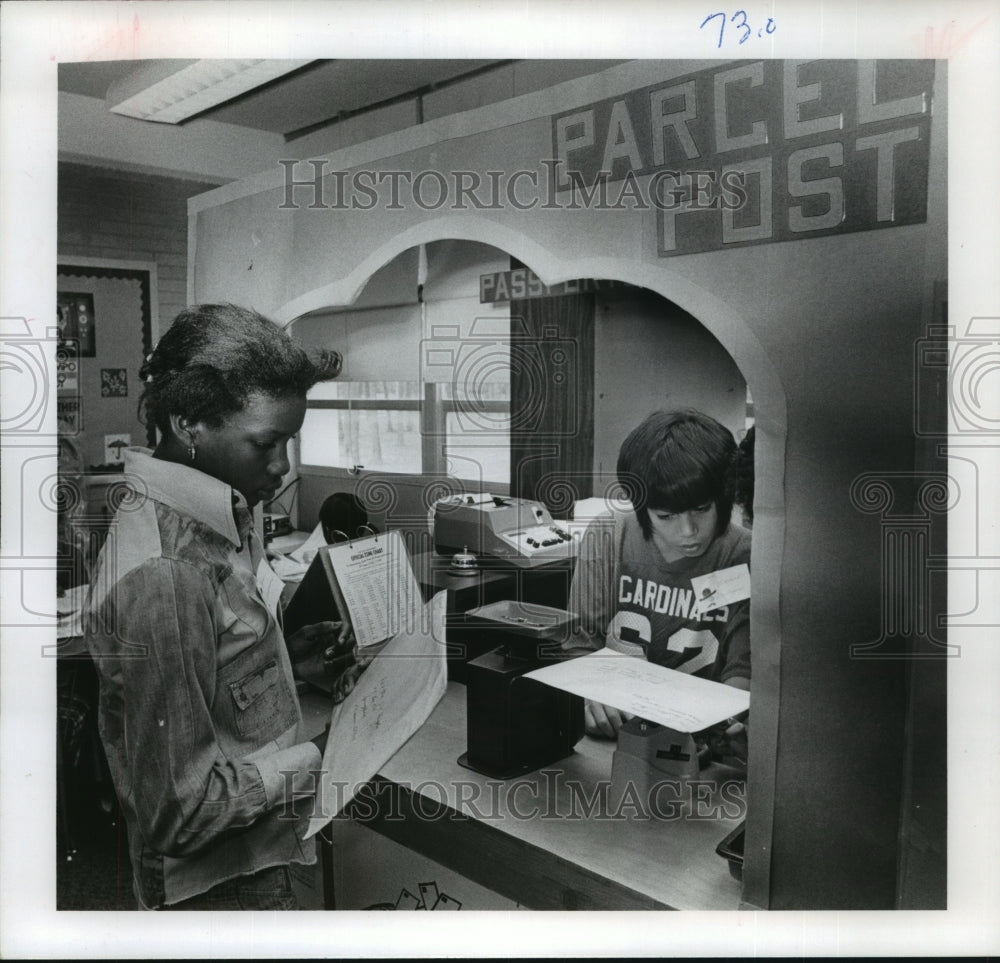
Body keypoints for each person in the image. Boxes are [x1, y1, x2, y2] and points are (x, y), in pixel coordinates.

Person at [85, 303, 359, 911]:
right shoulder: (168, 573)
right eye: (265, 442)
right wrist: (327, 751)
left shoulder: (219, 512)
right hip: (217, 891)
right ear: (189, 423)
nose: (283, 465)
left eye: (290, 440)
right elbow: (181, 812)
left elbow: (204, 670)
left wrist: (282, 658)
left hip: (249, 858)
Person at [567, 409, 751, 741]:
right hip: (616, 732)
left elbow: (744, 673)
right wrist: (590, 694)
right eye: (665, 515)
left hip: (700, 745)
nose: (688, 532)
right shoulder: (608, 535)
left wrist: (731, 719)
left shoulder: (744, 555)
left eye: (702, 509)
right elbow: (580, 644)